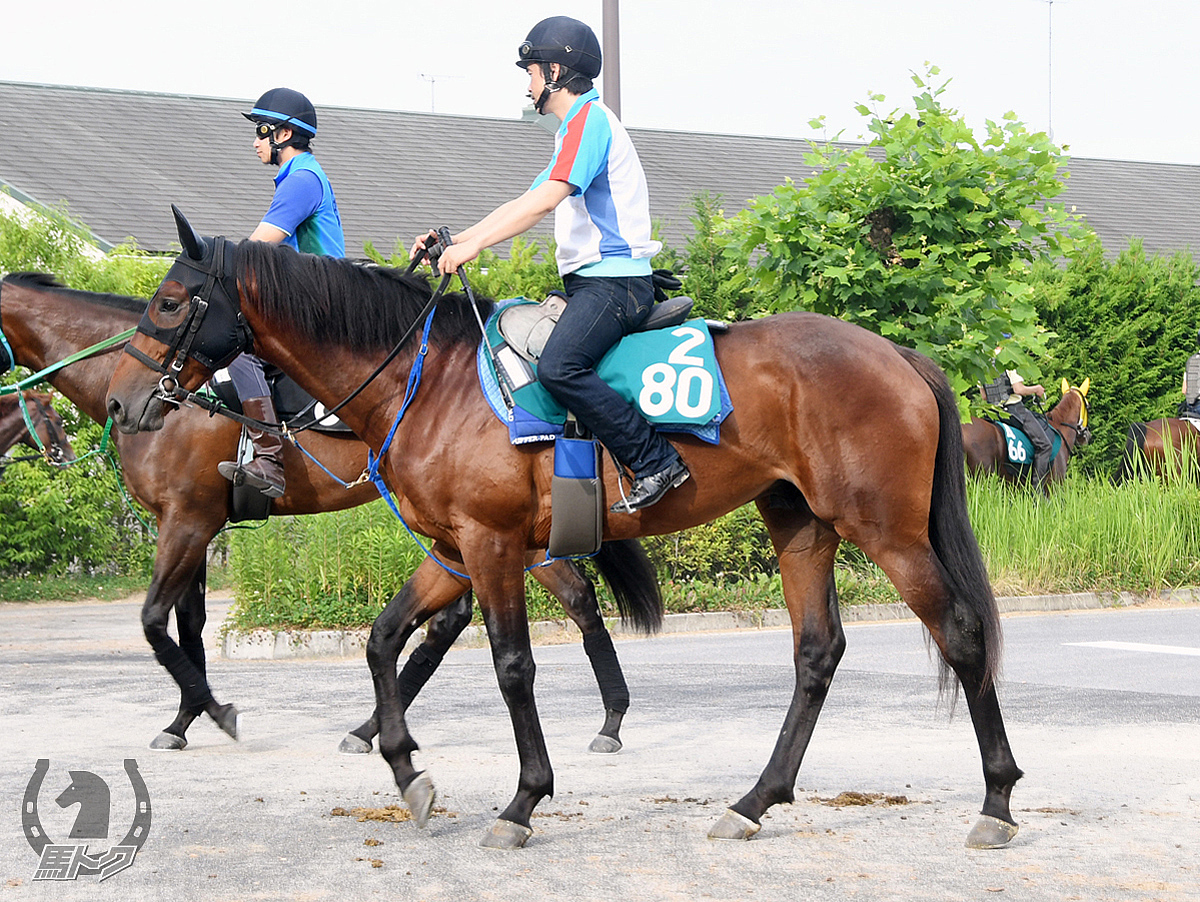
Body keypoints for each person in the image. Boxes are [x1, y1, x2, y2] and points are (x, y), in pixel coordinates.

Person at [414, 16, 688, 513]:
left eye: (532, 70)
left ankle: (655, 461)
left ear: (556, 71)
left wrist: (472, 250)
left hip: (616, 286)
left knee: (560, 367)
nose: (528, 82)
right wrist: (453, 239)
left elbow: (545, 203)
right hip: (594, 286)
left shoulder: (590, 122)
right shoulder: (573, 130)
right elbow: (527, 198)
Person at [218, 87, 346, 498]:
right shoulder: (300, 176)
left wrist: (216, 268)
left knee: (236, 348)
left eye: (261, 130)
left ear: (284, 135)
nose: (255, 141)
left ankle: (269, 460)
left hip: (318, 300)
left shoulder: (302, 180)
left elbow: (256, 249)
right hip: (312, 293)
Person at [999, 369, 1053, 490]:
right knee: (1045, 446)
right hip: (1014, 411)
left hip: (993, 413)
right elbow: (1018, 389)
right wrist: (1036, 389)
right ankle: (1037, 490)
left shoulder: (984, 361)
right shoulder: (1007, 360)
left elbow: (984, 395)